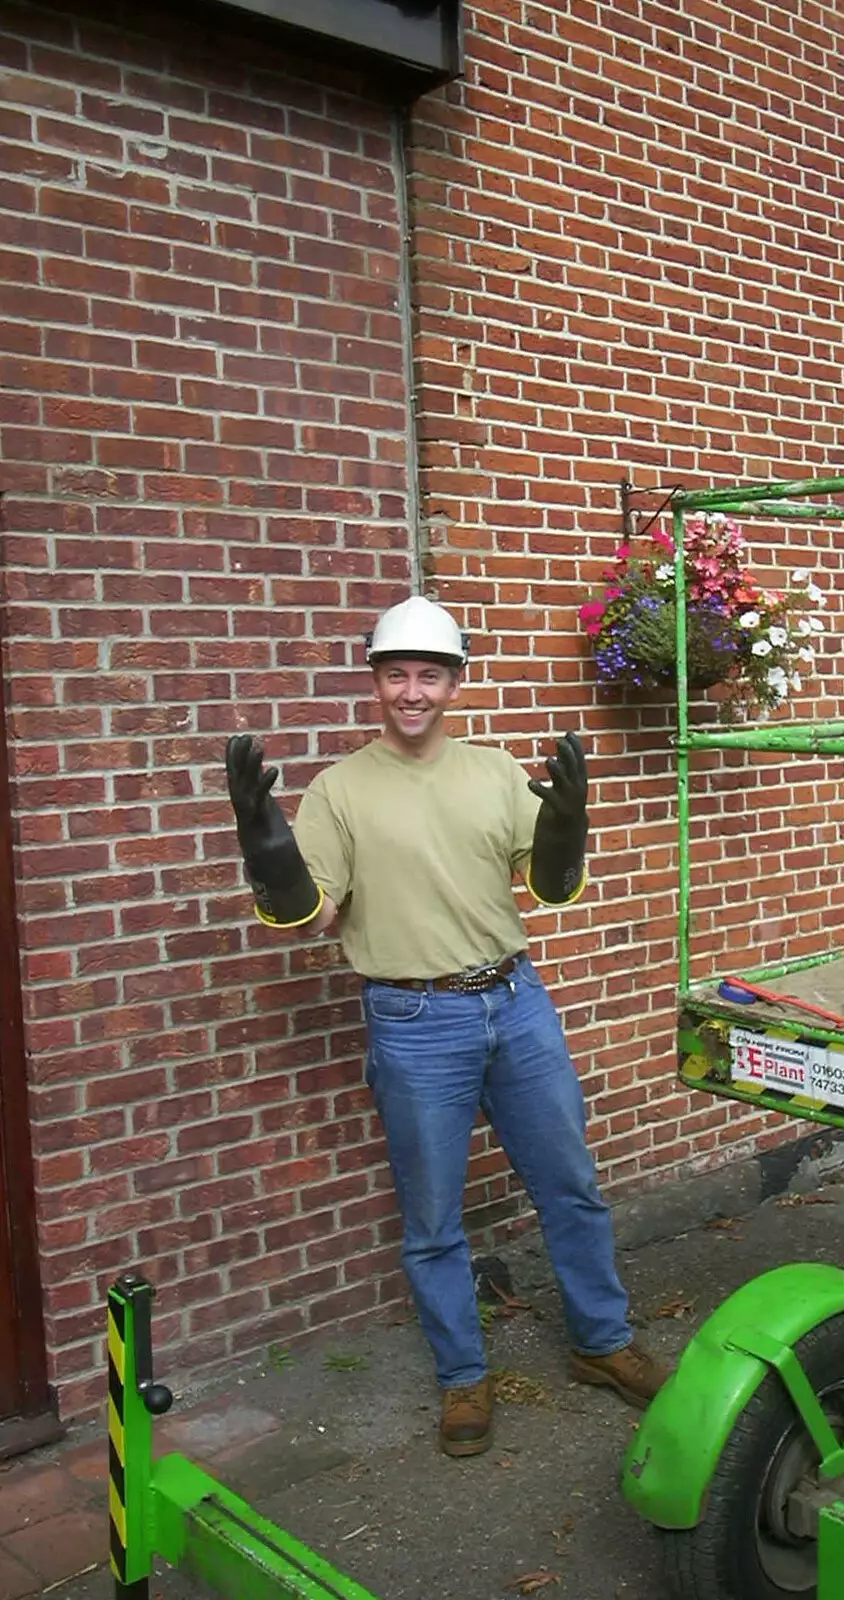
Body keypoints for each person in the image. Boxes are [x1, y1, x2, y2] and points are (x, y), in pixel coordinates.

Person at [224, 596, 667, 1457]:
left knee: (571, 1184)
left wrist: (568, 823)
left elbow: (552, 882)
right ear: (376, 682)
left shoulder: (497, 773)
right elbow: (312, 915)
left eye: (430, 674)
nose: (413, 691)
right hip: (414, 1017)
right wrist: (264, 846)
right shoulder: (339, 790)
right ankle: (464, 1380)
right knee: (433, 1220)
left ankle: (602, 1343)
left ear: (454, 682)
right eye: (397, 674)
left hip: (516, 1001)